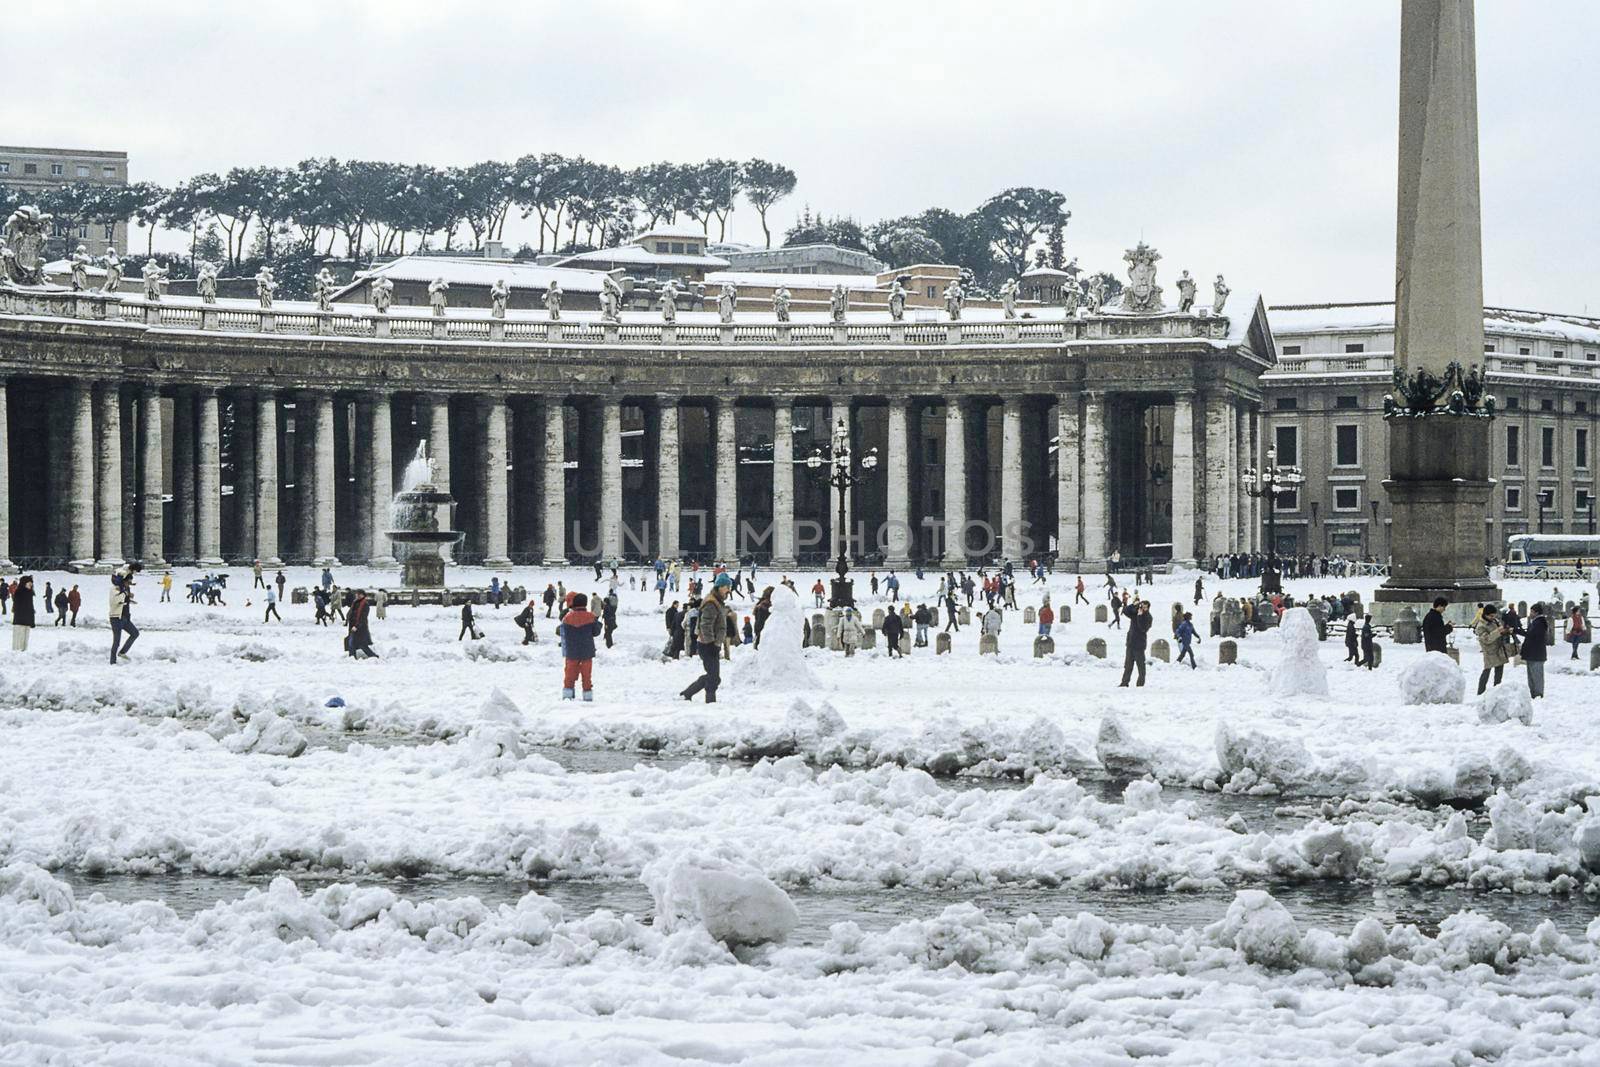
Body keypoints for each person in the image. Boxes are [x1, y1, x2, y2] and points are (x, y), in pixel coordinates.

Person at [681, 574, 733, 703]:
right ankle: (708, 700)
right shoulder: (711, 602)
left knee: (713, 676)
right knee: (714, 677)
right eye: (727, 587)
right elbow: (705, 625)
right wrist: (711, 644)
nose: (729, 590)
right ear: (720, 587)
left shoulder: (717, 601)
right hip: (707, 645)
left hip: (712, 644)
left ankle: (689, 694)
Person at [557, 593, 602, 701]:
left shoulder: (567, 617)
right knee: (586, 677)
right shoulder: (590, 617)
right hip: (586, 652)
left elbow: (560, 632)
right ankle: (587, 697)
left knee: (569, 676)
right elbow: (596, 632)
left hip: (571, 652)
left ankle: (568, 696)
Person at [1473, 604, 1511, 695]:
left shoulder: (1495, 621)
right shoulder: (1481, 625)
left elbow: (1499, 631)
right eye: (1491, 616)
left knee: (1499, 672)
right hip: (1489, 651)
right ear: (1485, 614)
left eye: (1494, 616)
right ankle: (1480, 692)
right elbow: (1486, 639)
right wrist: (1499, 631)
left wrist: (1505, 631)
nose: (1493, 617)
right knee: (1487, 671)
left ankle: (1497, 691)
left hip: (1499, 649)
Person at [108, 566, 141, 663]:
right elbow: (114, 602)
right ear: (124, 581)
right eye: (128, 582)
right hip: (116, 619)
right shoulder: (115, 589)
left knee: (135, 633)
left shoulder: (125, 589)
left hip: (125, 618)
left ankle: (122, 652)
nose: (129, 584)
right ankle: (112, 662)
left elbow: (124, 602)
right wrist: (124, 594)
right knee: (116, 642)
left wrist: (130, 599)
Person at [1119, 600, 1152, 687]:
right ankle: (1124, 683)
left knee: (1141, 667)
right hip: (1130, 643)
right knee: (1128, 666)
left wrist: (1140, 616)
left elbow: (1143, 628)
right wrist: (1133, 605)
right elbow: (1125, 611)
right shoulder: (1135, 613)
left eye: (1145, 607)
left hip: (1139, 645)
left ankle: (1140, 684)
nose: (1143, 608)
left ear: (1148, 608)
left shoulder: (1148, 617)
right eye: (1142, 606)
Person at [1524, 602, 1548, 699]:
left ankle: (1538, 694)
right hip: (1532, 653)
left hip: (1536, 654)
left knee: (1537, 676)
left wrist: (1517, 631)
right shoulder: (1535, 622)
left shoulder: (1540, 623)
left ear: (1536, 612)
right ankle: (1533, 693)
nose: (1530, 613)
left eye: (1532, 611)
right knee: (1531, 676)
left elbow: (1532, 636)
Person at [347, 590, 378, 659]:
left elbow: (363, 618)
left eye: (359, 594)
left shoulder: (365, 604)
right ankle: (352, 657)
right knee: (351, 643)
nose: (358, 595)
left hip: (360, 627)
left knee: (362, 645)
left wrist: (356, 626)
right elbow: (351, 613)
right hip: (353, 626)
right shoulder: (355, 602)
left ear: (363, 595)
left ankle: (373, 656)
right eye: (357, 594)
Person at [11, 575, 36, 651]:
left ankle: (23, 655)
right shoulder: (19, 592)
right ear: (24, 583)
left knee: (25, 642)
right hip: (19, 621)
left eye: (31, 583)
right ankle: (16, 655)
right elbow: (17, 607)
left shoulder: (29, 593)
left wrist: (32, 621)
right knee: (18, 642)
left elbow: (30, 608)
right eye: (29, 583)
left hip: (27, 621)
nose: (31, 584)